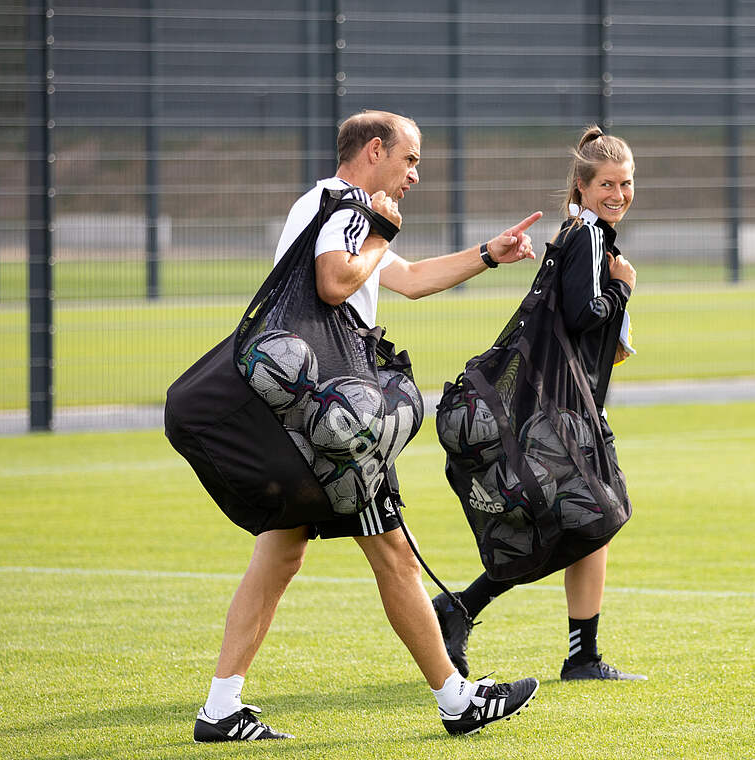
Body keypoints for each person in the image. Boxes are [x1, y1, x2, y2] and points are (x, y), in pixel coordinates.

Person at [193, 110, 544, 742]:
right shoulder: (348, 207)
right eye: (409, 159)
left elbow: (407, 279)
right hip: (334, 426)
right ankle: (455, 698)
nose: (415, 174)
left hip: (312, 419)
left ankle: (221, 707)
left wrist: (490, 253)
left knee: (281, 554)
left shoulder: (335, 208)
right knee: (394, 556)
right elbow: (334, 283)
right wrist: (380, 230)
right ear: (375, 150)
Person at [433, 125, 645, 682]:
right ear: (580, 185)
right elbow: (583, 313)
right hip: (564, 411)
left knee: (583, 524)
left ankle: (564, 649)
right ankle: (480, 616)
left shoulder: (579, 233)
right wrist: (621, 287)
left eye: (625, 184)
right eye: (606, 184)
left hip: (569, 406)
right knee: (594, 517)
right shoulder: (592, 237)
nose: (618, 194)